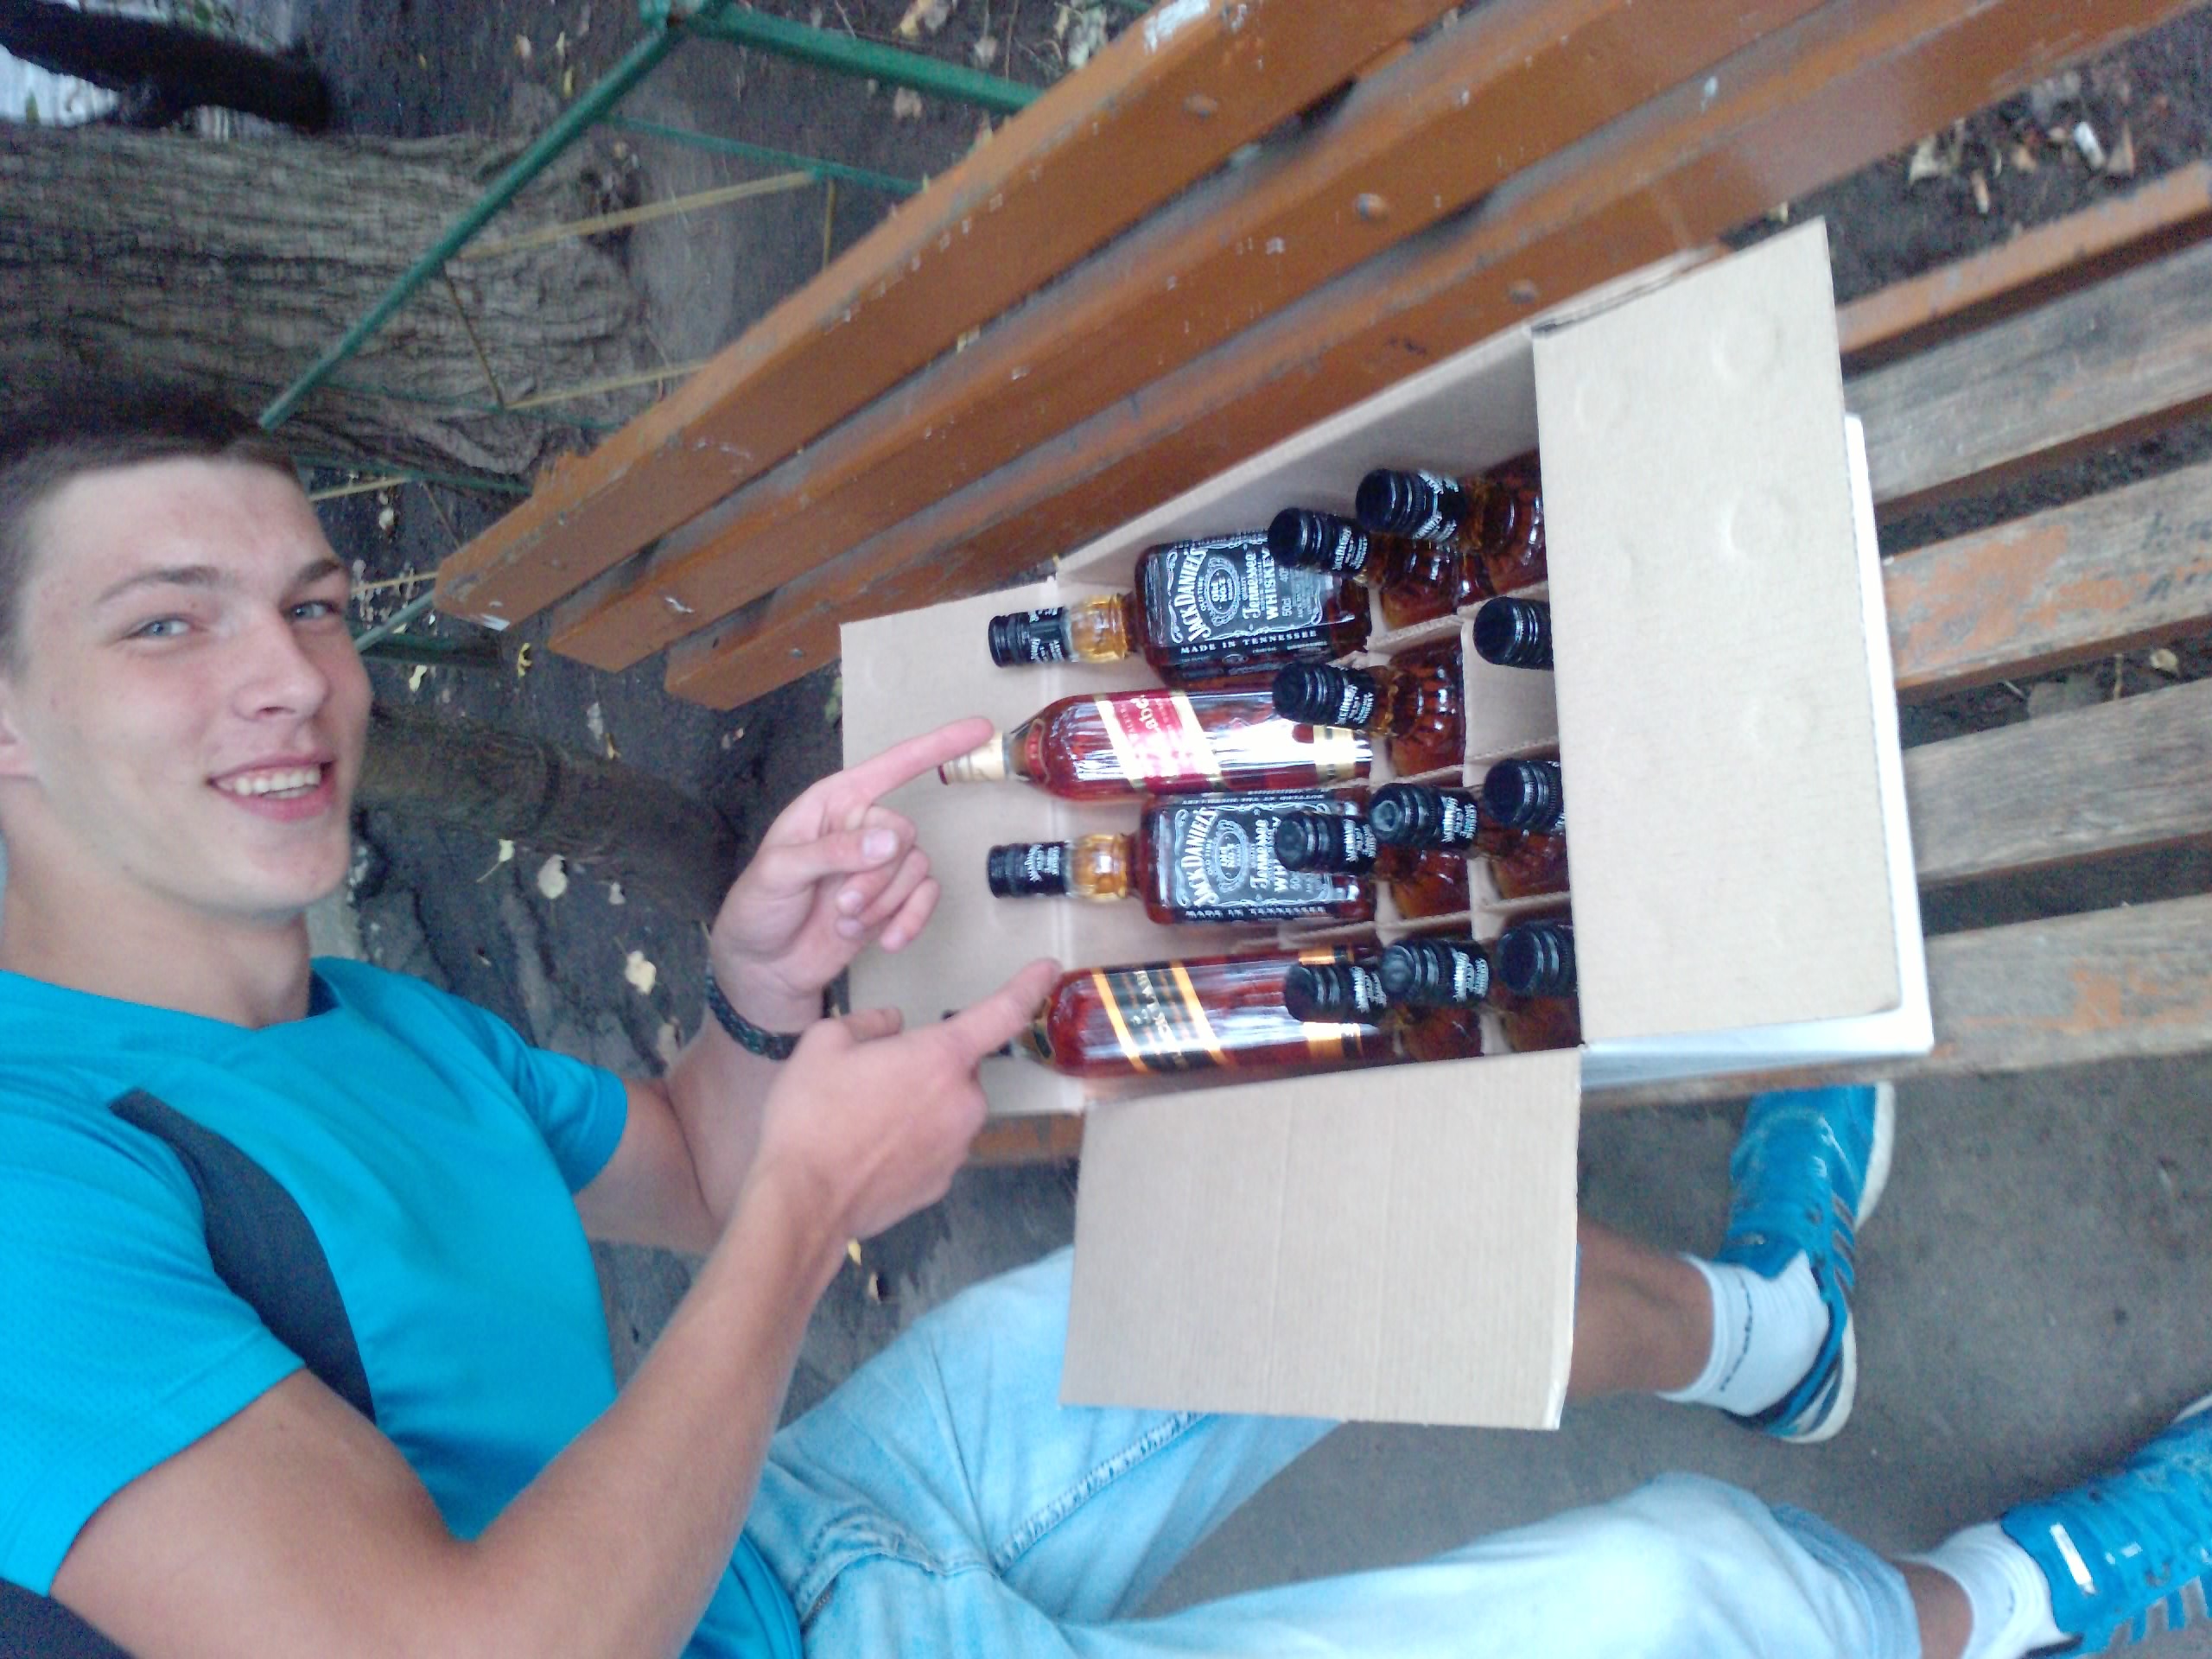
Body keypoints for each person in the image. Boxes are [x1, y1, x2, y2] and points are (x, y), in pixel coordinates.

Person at [0, 382, 2202, 1659]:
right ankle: (2021, 1602)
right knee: (1681, 1599)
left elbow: (676, 1171)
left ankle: (1776, 1335)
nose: (286, 679)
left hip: (767, 1532)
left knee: (1343, 1225)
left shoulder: (335, 1012)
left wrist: (761, 1007)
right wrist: (804, 1227)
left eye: (307, 605)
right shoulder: (29, 1202)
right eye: (168, 627)